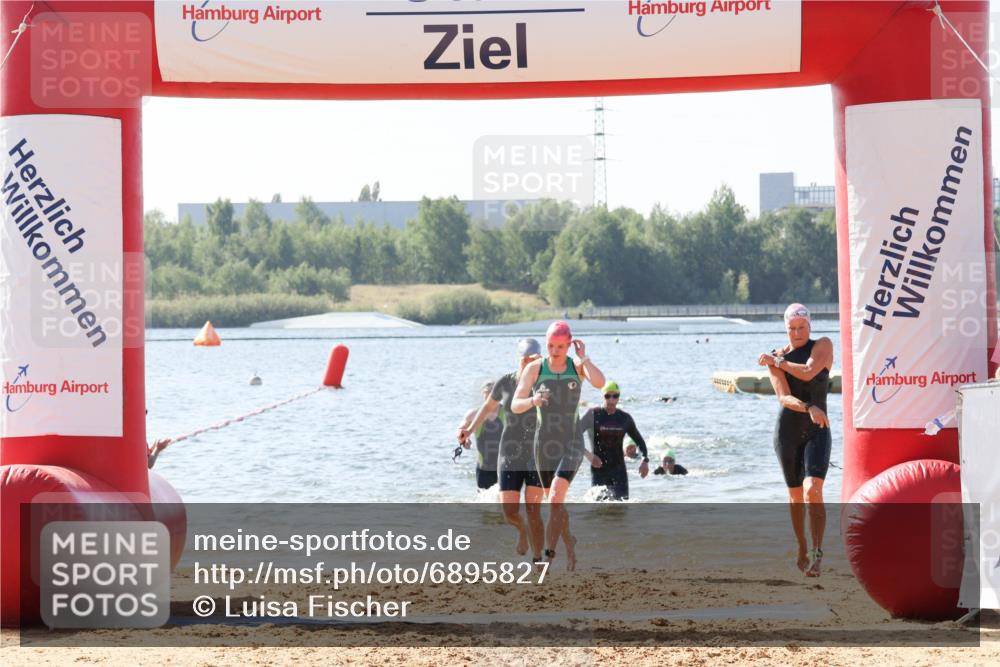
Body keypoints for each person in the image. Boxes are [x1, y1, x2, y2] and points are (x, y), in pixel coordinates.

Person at [512, 320, 606, 569]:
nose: (555, 351)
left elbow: (600, 383)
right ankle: (569, 543)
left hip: (571, 441)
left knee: (555, 497)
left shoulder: (576, 366)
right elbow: (515, 404)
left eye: (560, 347)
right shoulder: (534, 368)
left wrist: (584, 358)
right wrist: (533, 400)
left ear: (569, 345)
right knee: (554, 503)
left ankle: (547, 557)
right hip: (544, 443)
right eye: (551, 346)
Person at [758, 303, 833, 578]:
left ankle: (817, 553)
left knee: (813, 489)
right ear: (785, 328)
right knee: (795, 496)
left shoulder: (822, 345)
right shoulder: (777, 357)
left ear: (810, 326)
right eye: (791, 329)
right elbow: (783, 397)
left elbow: (809, 372)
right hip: (788, 431)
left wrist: (777, 361)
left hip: (818, 428)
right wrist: (808, 407)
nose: (797, 333)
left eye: (801, 328)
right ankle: (801, 546)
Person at [458, 339, 545, 562]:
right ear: (519, 358)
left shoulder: (543, 385)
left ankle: (538, 558)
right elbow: (488, 407)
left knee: (534, 510)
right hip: (508, 453)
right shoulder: (505, 382)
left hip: (535, 454)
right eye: (525, 359)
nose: (528, 364)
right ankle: (522, 530)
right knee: (509, 512)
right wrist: (469, 429)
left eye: (534, 360)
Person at [580, 381, 650, 501]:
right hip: (599, 470)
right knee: (600, 510)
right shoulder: (593, 415)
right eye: (608, 396)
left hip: (619, 471)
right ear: (603, 396)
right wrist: (589, 455)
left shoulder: (624, 418)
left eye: (615, 396)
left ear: (618, 397)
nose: (611, 400)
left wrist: (644, 461)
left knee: (622, 509)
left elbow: (640, 442)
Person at [456, 382, 503, 490]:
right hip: (484, 468)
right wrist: (464, 440)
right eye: (487, 392)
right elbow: (460, 429)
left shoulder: (508, 413)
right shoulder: (473, 414)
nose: (491, 395)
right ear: (483, 393)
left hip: (505, 467)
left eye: (494, 392)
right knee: (484, 503)